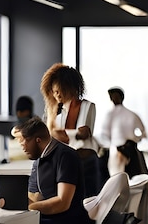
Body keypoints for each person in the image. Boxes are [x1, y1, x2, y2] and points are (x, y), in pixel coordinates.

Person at [12, 116, 94, 224]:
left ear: (37, 140)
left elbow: (62, 202)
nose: (22, 146)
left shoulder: (66, 156)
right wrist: (11, 201)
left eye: (24, 140)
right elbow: (35, 198)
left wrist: (28, 207)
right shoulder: (38, 160)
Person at [40, 63, 102, 195]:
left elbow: (84, 133)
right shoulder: (59, 115)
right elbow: (55, 136)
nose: (56, 95)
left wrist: (59, 134)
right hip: (67, 164)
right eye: (54, 92)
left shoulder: (87, 106)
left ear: (67, 86)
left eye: (57, 91)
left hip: (86, 162)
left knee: (88, 200)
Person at [100, 86, 147, 175]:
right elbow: (143, 133)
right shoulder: (112, 115)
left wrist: (133, 140)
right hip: (121, 150)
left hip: (126, 150)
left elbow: (105, 134)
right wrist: (135, 139)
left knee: (121, 179)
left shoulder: (112, 115)